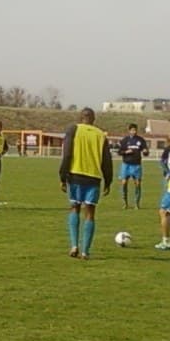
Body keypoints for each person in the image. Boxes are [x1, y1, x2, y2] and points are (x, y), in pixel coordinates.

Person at [58, 107, 114, 260]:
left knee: (74, 208)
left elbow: (67, 154)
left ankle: (74, 245)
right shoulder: (100, 135)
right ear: (94, 119)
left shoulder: (73, 130)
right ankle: (85, 252)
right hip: (93, 178)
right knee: (90, 213)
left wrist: (63, 177)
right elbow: (107, 161)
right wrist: (108, 181)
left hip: (75, 175)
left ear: (80, 117)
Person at [116, 123, 149, 209]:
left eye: (135, 130)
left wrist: (145, 152)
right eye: (132, 130)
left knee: (137, 184)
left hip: (136, 165)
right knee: (124, 183)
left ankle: (137, 204)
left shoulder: (141, 140)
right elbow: (119, 152)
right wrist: (125, 152)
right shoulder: (125, 140)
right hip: (126, 165)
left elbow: (145, 152)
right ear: (129, 130)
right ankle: (125, 203)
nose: (134, 132)